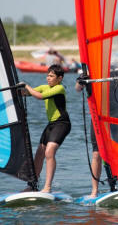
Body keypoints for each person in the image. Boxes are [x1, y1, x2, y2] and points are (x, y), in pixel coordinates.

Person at [75, 63, 118, 198]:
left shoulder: (114, 71)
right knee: (97, 154)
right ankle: (94, 190)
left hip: (116, 114)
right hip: (98, 117)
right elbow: (78, 88)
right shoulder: (88, 72)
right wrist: (82, 80)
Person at [22, 64, 71, 193]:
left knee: (49, 152)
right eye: (47, 75)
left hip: (62, 123)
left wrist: (26, 85)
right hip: (51, 125)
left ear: (59, 78)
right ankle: (32, 185)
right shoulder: (44, 87)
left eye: (51, 76)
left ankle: (47, 187)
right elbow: (27, 93)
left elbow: (39, 96)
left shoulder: (59, 88)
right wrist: (19, 89)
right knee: (39, 154)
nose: (48, 78)